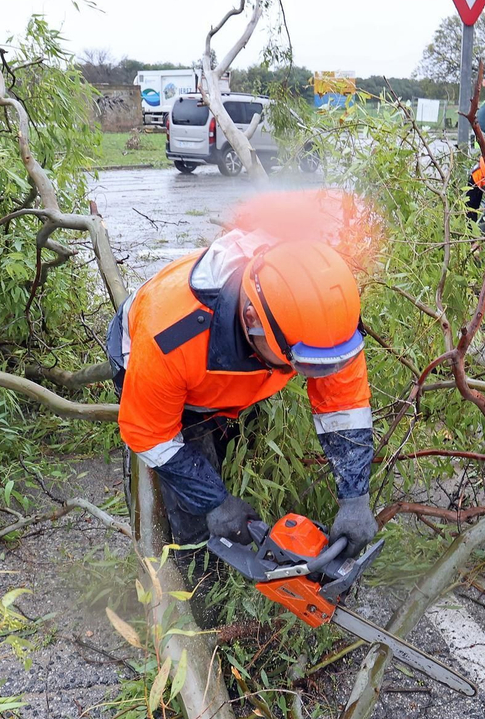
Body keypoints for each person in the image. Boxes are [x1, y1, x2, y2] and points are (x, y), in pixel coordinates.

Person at [105, 191, 377, 591]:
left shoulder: (322, 314)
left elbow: (344, 406)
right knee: (195, 510)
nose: (307, 375)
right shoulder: (171, 336)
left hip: (231, 373)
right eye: (299, 363)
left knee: (230, 449)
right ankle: (200, 599)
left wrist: (355, 496)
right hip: (163, 376)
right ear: (252, 318)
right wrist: (214, 501)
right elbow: (149, 433)